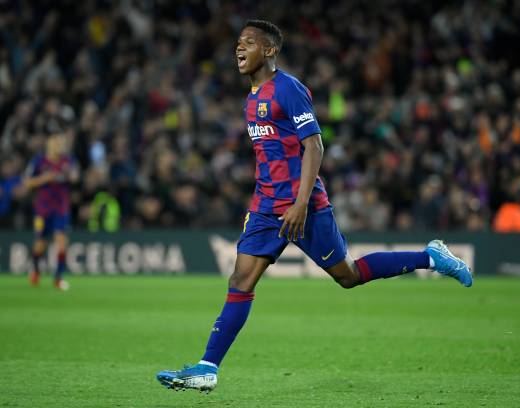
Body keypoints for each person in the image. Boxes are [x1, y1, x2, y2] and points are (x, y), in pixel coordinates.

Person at [157, 20, 472, 393]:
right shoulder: (251, 99)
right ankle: (207, 368)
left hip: (302, 205)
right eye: (237, 43)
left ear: (269, 50)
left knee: (348, 276)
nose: (238, 49)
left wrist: (301, 202)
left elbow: (315, 146)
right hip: (264, 207)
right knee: (240, 280)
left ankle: (431, 257)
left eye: (249, 43)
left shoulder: (288, 89)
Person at [23, 120, 79, 290]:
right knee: (40, 243)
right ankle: (35, 270)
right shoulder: (39, 162)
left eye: (61, 142)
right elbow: (27, 183)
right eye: (56, 141)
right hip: (43, 209)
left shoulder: (68, 161)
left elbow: (76, 177)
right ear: (49, 143)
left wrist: (71, 175)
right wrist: (44, 178)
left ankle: (58, 277)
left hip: (61, 208)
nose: (59, 145)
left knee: (61, 241)